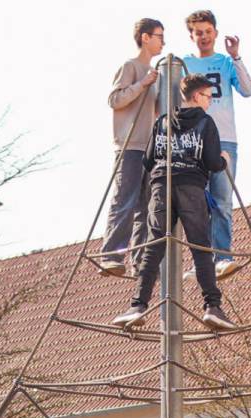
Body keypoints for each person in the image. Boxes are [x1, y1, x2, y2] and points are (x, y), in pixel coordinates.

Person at [111, 74, 237, 332]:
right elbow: (213, 163)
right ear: (197, 96)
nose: (209, 102)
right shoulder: (205, 122)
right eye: (208, 97)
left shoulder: (163, 122)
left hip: (161, 188)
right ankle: (212, 307)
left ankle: (137, 306)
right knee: (201, 248)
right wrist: (224, 159)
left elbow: (148, 160)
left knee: (154, 247)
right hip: (191, 187)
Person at [181, 9, 251, 279]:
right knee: (197, 204)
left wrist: (236, 57)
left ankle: (222, 256)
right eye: (198, 33)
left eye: (208, 32)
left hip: (224, 139)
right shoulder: (184, 65)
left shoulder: (224, 62)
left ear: (215, 33)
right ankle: (201, 260)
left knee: (222, 200)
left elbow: (247, 90)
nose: (204, 37)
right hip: (194, 141)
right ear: (191, 36)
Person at [100, 17, 165, 276]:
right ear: (145, 37)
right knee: (124, 201)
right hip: (129, 146)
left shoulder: (155, 75)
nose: (163, 42)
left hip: (149, 149)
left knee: (146, 208)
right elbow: (115, 99)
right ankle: (111, 255)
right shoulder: (131, 67)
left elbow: (155, 110)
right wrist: (143, 84)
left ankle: (140, 262)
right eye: (159, 36)